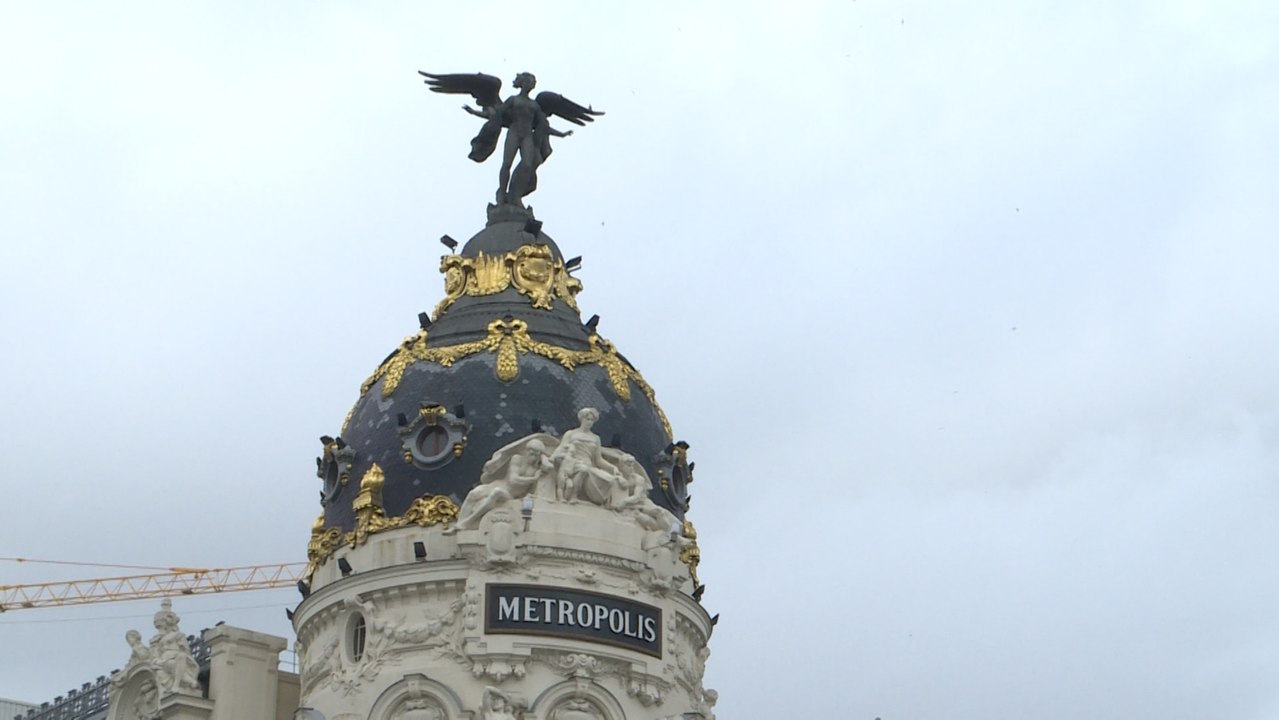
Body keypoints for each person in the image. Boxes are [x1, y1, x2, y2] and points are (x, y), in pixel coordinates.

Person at [464, 73, 572, 207]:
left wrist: (561, 134)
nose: (531, 84)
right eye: (529, 81)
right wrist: (474, 112)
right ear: (522, 83)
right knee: (507, 164)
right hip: (514, 133)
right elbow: (496, 114)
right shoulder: (513, 100)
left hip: (527, 136)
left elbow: (542, 126)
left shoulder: (535, 106)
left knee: (527, 165)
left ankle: (515, 195)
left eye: (533, 82)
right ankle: (502, 194)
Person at [455, 438, 552, 529]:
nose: (533, 456)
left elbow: (549, 466)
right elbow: (513, 480)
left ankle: (467, 522)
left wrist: (543, 457)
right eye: (531, 452)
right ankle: (459, 524)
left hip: (509, 495)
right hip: (497, 484)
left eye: (536, 454)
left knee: (496, 493)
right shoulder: (517, 459)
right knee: (473, 494)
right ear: (526, 451)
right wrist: (533, 479)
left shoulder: (536, 468)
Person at [551, 408, 617, 505]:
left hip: (587, 464)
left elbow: (599, 460)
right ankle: (573, 496)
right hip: (572, 462)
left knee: (607, 479)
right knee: (583, 470)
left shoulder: (596, 438)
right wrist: (551, 458)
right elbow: (561, 448)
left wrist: (613, 467)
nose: (589, 422)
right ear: (582, 419)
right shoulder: (571, 434)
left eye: (592, 420)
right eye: (587, 419)